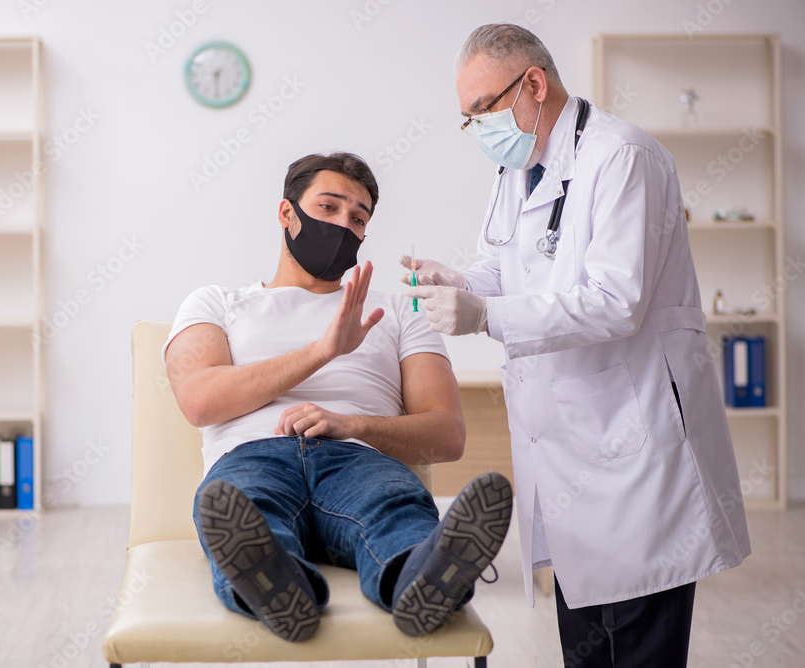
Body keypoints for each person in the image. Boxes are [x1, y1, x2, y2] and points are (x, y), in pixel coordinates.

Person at [404, 24, 750, 667]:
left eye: (483, 109)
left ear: (533, 83)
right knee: (585, 649)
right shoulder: (519, 169)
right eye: (468, 118)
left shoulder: (623, 156)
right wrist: (457, 282)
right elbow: (504, 270)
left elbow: (615, 300)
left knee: (640, 646)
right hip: (569, 458)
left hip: (636, 448)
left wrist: (485, 315)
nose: (478, 128)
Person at [163, 152, 513, 642]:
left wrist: (352, 425)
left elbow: (447, 435)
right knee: (248, 513)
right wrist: (324, 350)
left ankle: (422, 580)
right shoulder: (215, 303)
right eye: (327, 208)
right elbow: (199, 401)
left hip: (358, 458)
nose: (343, 225)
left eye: (358, 218)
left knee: (394, 510)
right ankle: (283, 587)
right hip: (251, 457)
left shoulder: (399, 311)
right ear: (287, 214)